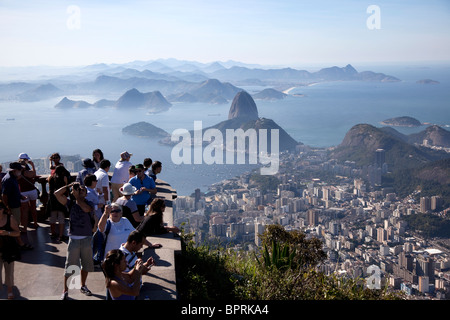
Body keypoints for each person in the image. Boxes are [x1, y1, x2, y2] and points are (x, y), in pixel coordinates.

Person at [55, 182, 96, 300]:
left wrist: (77, 197)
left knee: (86, 265)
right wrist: (68, 186)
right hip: (74, 238)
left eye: (83, 190)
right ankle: (65, 290)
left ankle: (83, 285)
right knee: (70, 266)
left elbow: (86, 209)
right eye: (79, 189)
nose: (80, 191)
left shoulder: (89, 203)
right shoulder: (71, 203)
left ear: (86, 193)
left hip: (86, 238)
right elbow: (56, 194)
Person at [1, 162, 32, 249]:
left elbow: (13, 192)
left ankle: (17, 243)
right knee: (15, 225)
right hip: (12, 206)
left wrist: (21, 196)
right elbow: (4, 195)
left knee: (15, 224)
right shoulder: (8, 180)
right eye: (20, 169)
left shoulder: (13, 177)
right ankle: (19, 243)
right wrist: (7, 207)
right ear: (14, 170)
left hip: (15, 204)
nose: (21, 171)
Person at [0, 200, 21, 299]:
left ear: (3, 209)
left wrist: (7, 233)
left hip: (8, 248)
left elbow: (17, 233)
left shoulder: (10, 218)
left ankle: (9, 290)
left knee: (9, 271)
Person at [47, 165, 70, 242]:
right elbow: (65, 189)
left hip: (52, 200)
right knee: (61, 218)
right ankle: (60, 235)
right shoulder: (63, 178)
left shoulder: (51, 178)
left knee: (52, 217)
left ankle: (53, 233)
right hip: (60, 199)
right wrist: (66, 182)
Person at [17, 153, 39, 230]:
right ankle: (35, 223)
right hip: (32, 190)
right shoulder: (26, 169)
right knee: (33, 208)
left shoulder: (17, 170)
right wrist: (32, 165)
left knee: (25, 210)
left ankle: (25, 227)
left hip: (22, 191)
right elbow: (33, 174)